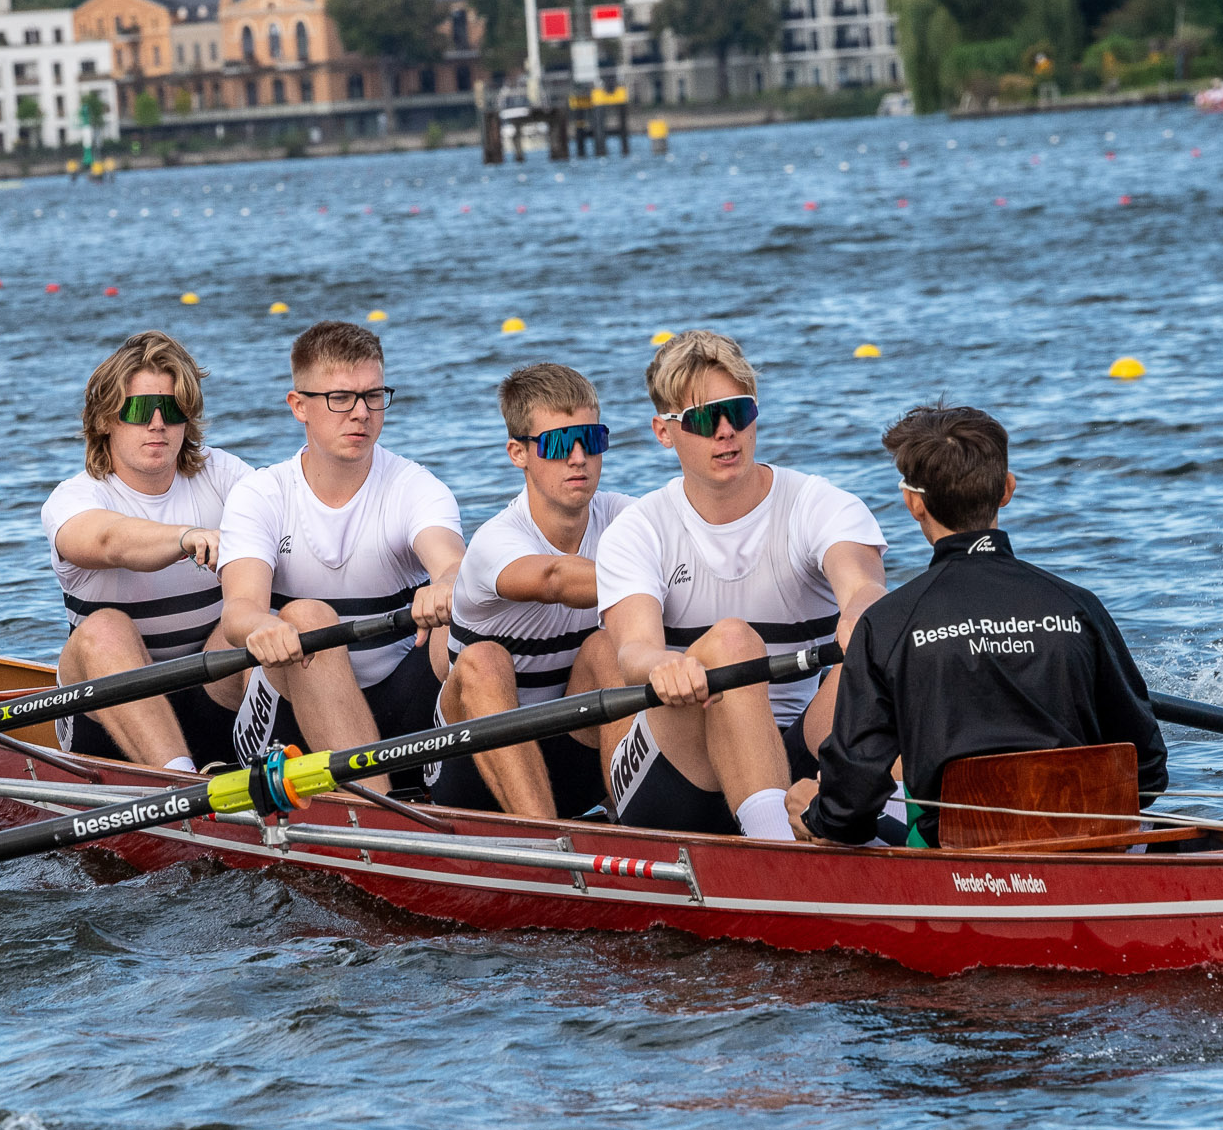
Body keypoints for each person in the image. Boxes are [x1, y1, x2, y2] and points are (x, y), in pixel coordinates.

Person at [790, 404, 1168, 846]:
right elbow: (1148, 769)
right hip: (1090, 846)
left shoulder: (888, 624)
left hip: (960, 859)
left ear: (914, 502)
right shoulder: (1079, 606)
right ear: (1006, 490)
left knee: (807, 805)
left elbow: (849, 809)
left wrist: (816, 815)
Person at [595, 330, 888, 838]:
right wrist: (666, 665)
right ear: (664, 432)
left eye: (741, 411)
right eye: (705, 418)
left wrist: (861, 613)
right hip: (680, 764)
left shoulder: (819, 504)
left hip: (795, 746)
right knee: (731, 642)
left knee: (882, 649)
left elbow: (861, 585)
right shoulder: (639, 529)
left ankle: (915, 822)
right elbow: (634, 651)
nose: (727, 431)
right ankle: (780, 849)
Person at [214, 320, 465, 785]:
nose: (361, 413)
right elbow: (239, 612)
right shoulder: (261, 495)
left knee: (462, 625)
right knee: (307, 617)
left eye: (373, 395)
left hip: (399, 703)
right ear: (298, 406)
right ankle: (378, 811)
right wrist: (265, 625)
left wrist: (448, 585)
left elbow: (450, 562)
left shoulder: (415, 487)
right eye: (340, 398)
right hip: (288, 715)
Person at [41, 330, 253, 771]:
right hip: (106, 717)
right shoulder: (75, 498)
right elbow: (108, 541)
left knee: (268, 618)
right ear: (104, 420)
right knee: (105, 629)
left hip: (211, 695)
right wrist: (185, 538)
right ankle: (178, 783)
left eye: (173, 409)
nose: (158, 423)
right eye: (139, 410)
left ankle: (304, 773)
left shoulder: (225, 475)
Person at [429, 364, 629, 819]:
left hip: (569, 755)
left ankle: (637, 819)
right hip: (471, 767)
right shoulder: (495, 542)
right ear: (518, 453)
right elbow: (554, 579)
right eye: (559, 444)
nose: (578, 457)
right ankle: (547, 844)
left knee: (608, 646)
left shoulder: (625, 519)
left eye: (591, 439)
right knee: (484, 660)